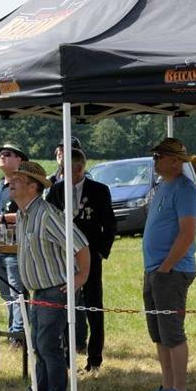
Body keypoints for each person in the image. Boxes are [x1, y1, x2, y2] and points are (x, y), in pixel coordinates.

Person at [11, 161, 90, 391]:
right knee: (39, 345)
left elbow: (80, 245)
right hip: (39, 292)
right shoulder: (24, 214)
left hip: (55, 289)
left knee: (48, 346)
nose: (10, 182)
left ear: (33, 187)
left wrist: (81, 277)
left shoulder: (46, 214)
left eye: (18, 180)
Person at [140, 138, 196, 391]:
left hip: (172, 272)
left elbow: (188, 232)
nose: (155, 160)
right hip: (156, 270)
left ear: (175, 161)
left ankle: (180, 390)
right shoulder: (163, 186)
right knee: (159, 333)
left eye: (160, 156)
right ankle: (167, 387)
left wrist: (166, 267)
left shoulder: (185, 189)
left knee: (172, 332)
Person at [46, 148, 116, 371]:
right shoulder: (56, 191)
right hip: (62, 258)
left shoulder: (99, 190)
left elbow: (110, 224)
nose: (61, 172)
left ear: (78, 168)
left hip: (90, 256)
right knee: (65, 306)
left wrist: (100, 252)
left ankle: (94, 359)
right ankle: (66, 357)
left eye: (65, 167)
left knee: (93, 306)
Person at [0, 143, 29, 347]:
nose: (2, 157)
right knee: (6, 293)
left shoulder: (22, 182)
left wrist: (4, 217)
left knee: (17, 292)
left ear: (19, 160)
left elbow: (28, 212)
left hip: (16, 247)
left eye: (7, 154)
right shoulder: (0, 185)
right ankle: (14, 329)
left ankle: (19, 335)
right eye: (0, 154)